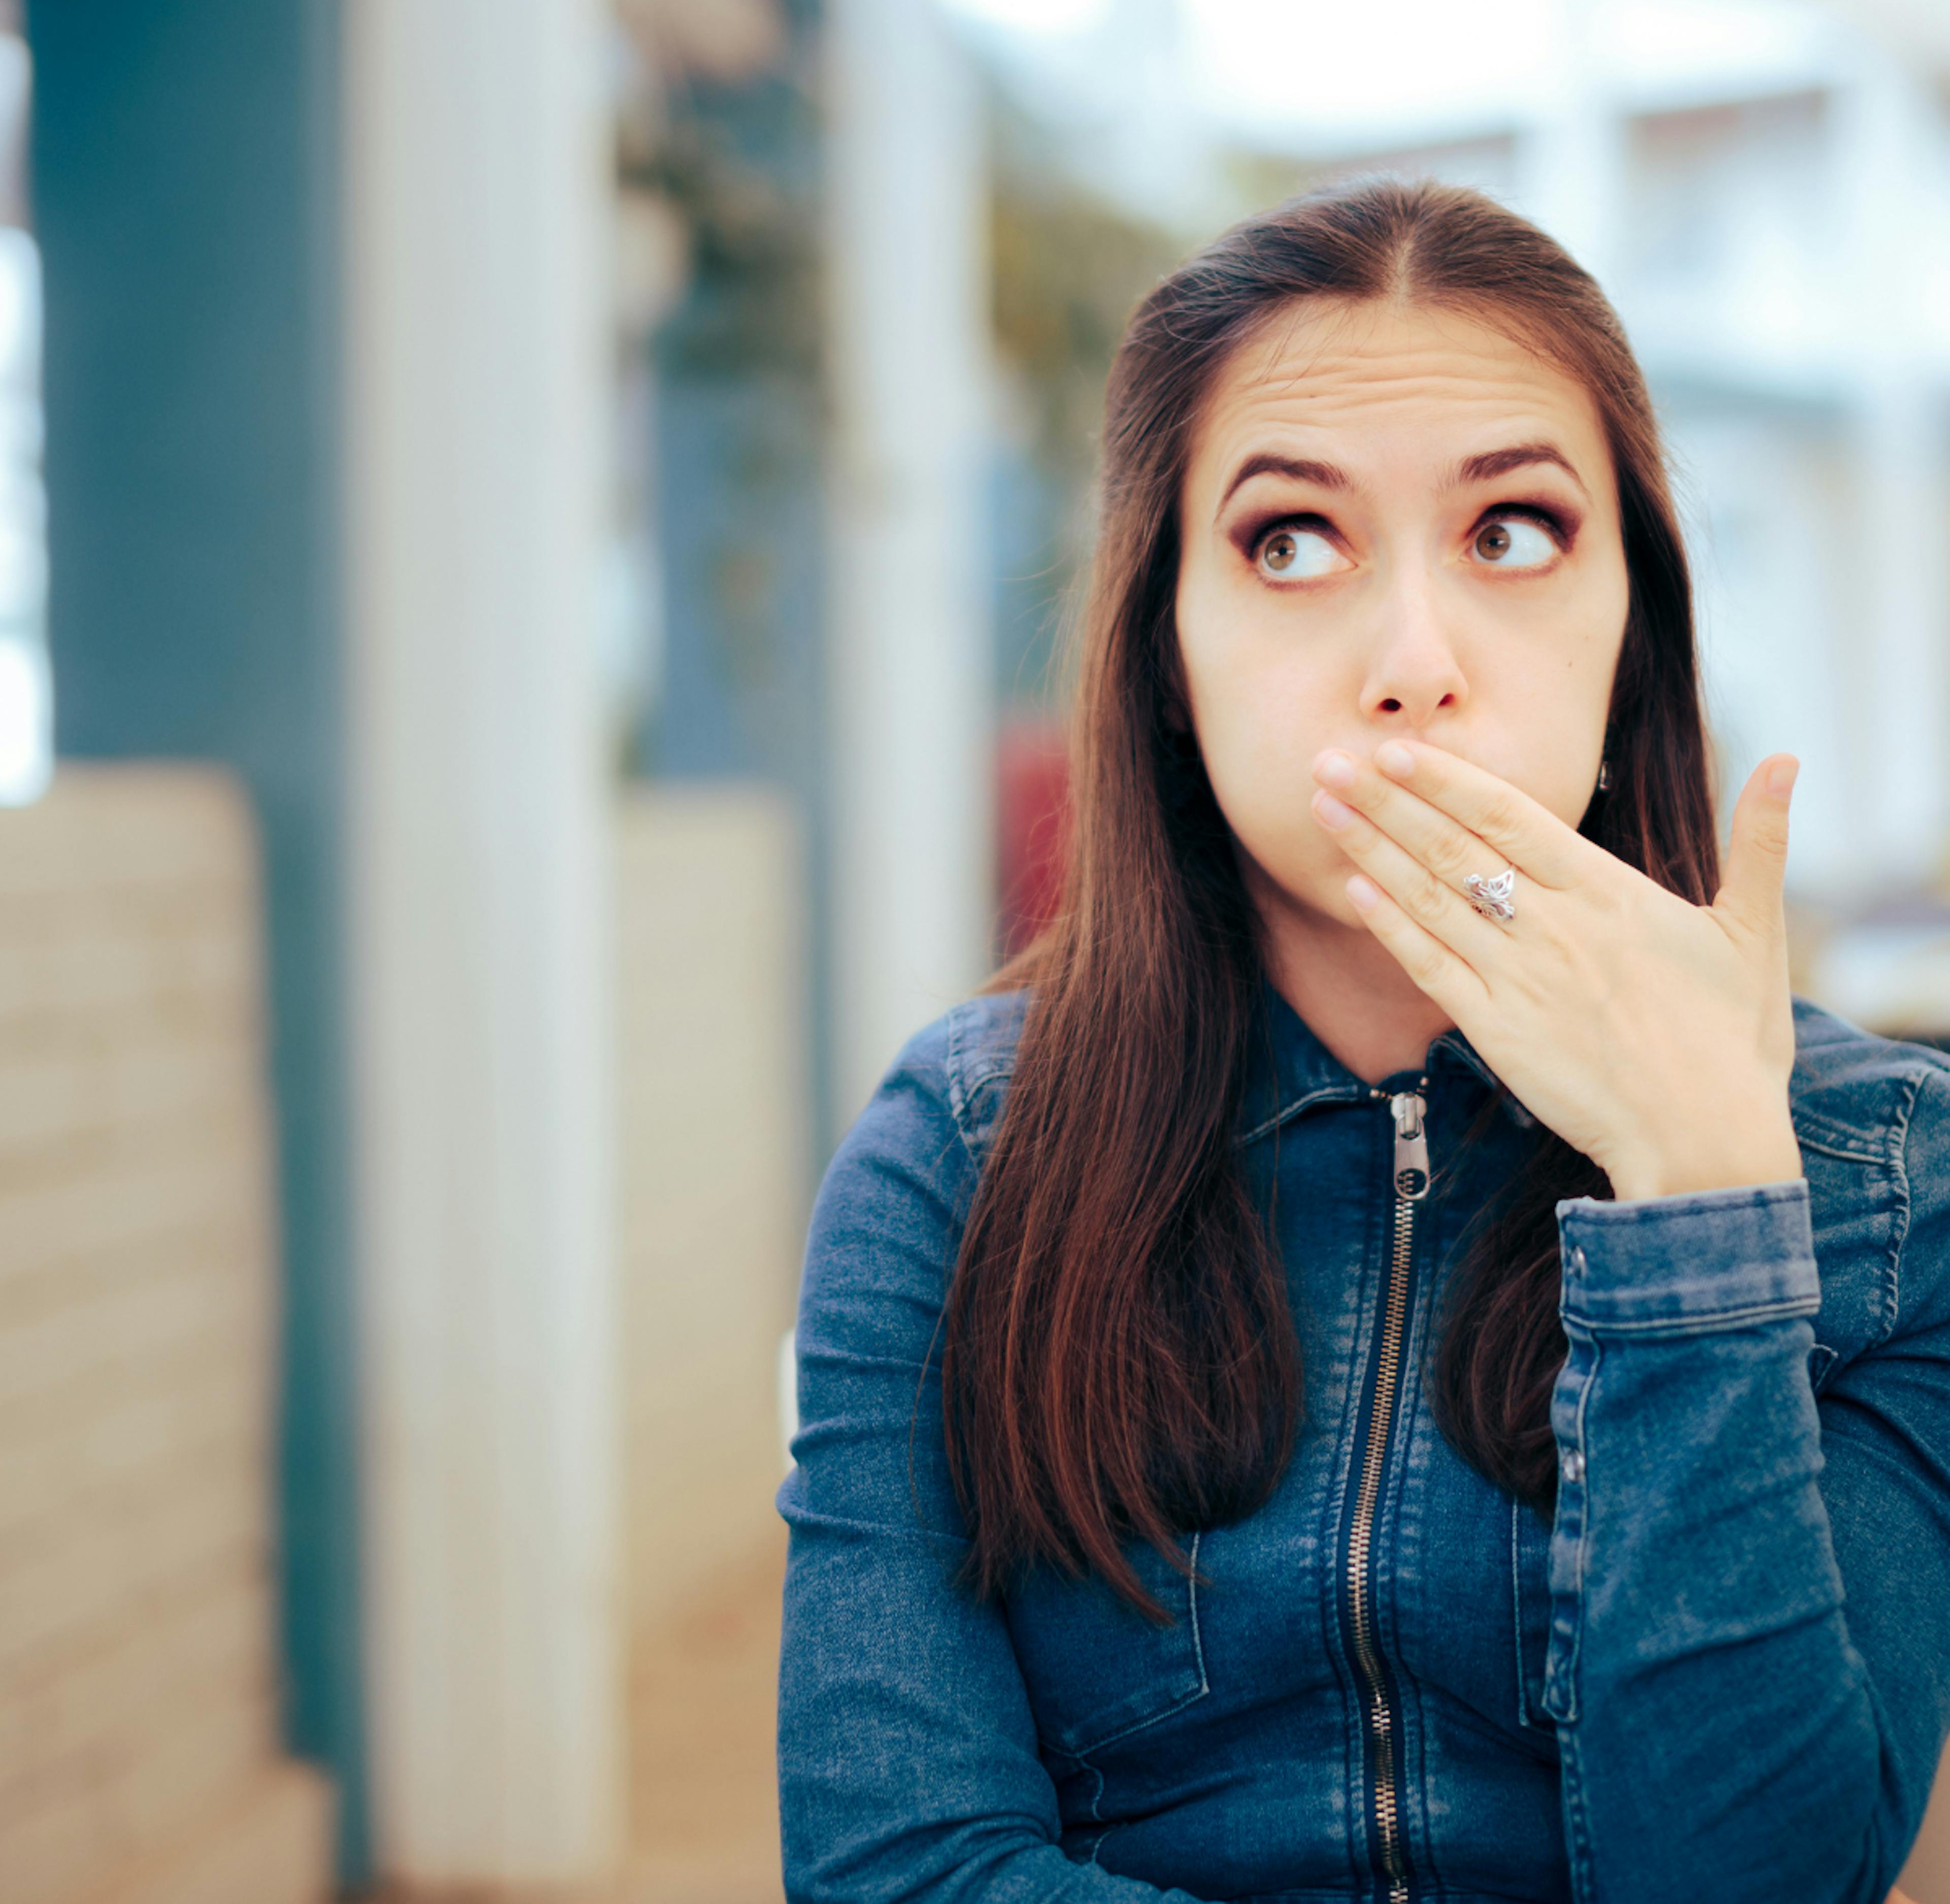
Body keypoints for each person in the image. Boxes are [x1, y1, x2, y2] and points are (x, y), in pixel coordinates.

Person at [775, 179, 1950, 1904]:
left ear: (1636, 638)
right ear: (1166, 650)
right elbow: (897, 1869)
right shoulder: (954, 1162)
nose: (1413, 663)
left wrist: (1704, 1203)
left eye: (1514, 533)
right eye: (1291, 542)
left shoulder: (1893, 1175)